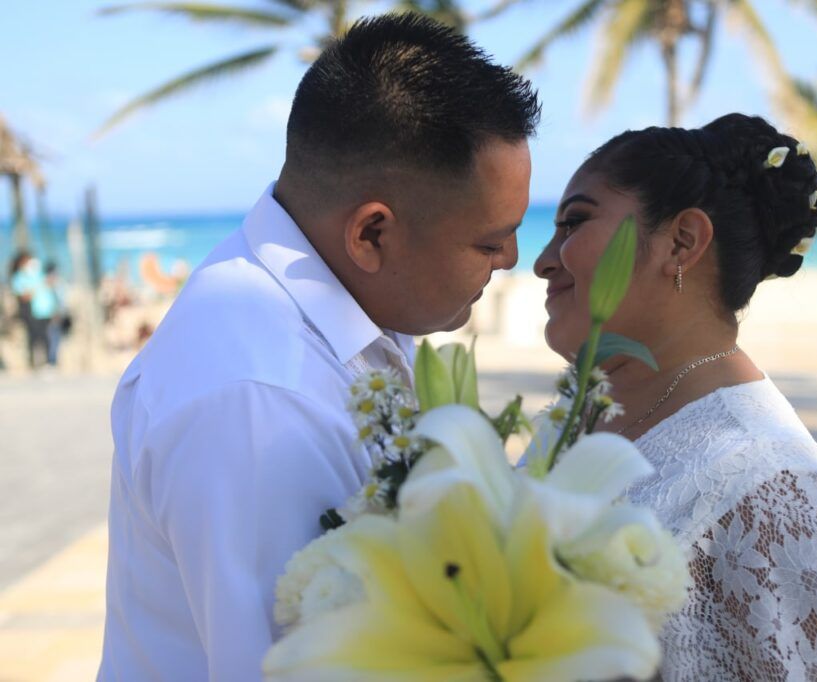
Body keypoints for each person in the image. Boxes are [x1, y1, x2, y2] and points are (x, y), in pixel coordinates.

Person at [98, 13, 538, 681]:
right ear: (372, 235)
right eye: (490, 240)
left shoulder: (352, 308)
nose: (511, 258)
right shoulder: (261, 404)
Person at [534, 114, 817, 680]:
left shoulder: (774, 497)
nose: (542, 260)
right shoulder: (576, 419)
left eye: (574, 223)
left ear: (682, 241)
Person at [9, 251, 47, 369]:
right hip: (27, 309)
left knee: (42, 335)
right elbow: (22, 295)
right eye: (26, 261)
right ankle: (33, 362)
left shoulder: (36, 274)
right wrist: (32, 292)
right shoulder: (18, 277)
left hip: (40, 309)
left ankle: (43, 361)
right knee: (32, 335)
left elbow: (43, 287)